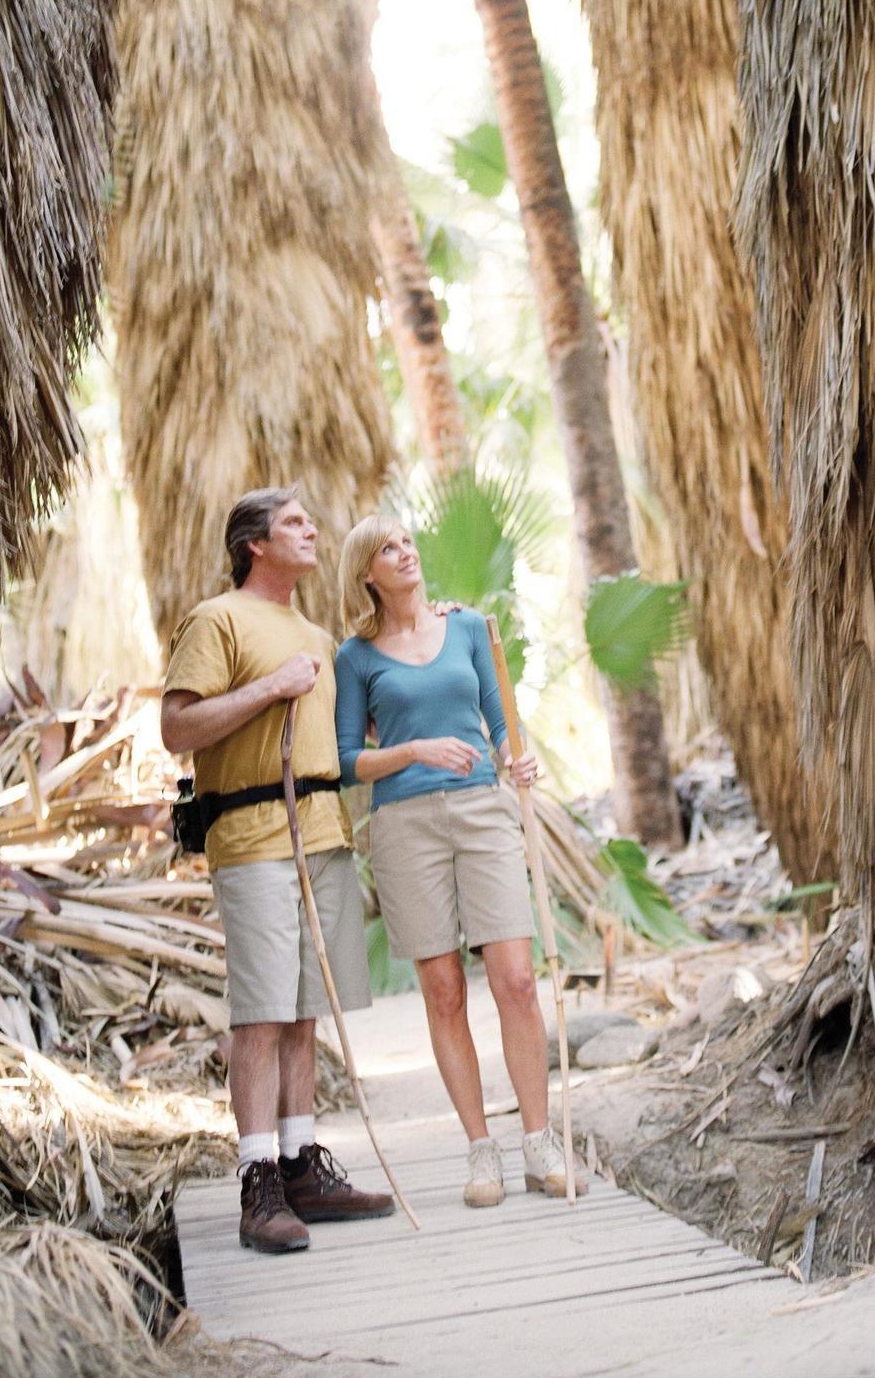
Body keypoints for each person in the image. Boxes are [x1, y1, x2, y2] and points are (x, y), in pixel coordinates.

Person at [161, 486, 394, 1254]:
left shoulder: (320, 636)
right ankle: (256, 1178)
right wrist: (268, 688)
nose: (312, 530)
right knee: (260, 1012)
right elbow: (176, 727)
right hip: (255, 835)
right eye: (295, 522)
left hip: (322, 832)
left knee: (302, 1011)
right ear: (253, 543)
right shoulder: (216, 618)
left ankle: (300, 1166)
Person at [334, 514, 585, 1207]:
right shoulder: (355, 658)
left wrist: (516, 756)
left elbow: (500, 721)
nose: (406, 554)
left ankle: (539, 1142)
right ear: (367, 574)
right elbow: (348, 760)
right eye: (388, 548)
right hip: (403, 822)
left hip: (483, 808)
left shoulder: (469, 628)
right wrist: (415, 751)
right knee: (443, 989)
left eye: (408, 542)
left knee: (515, 980)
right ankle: (482, 1152)